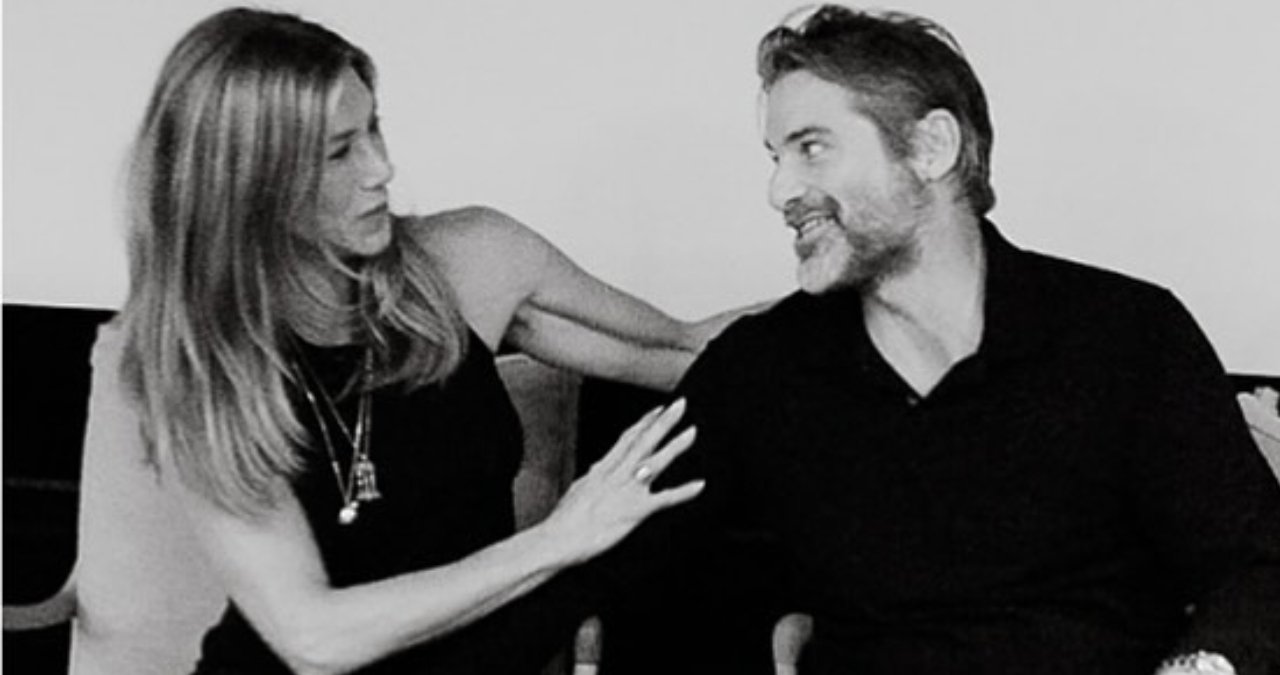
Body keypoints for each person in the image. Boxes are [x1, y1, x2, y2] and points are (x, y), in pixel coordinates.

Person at [600, 5, 1280, 674]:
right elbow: (622, 577)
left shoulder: (1127, 336)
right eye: (776, 157)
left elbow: (1257, 569)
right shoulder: (761, 371)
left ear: (931, 148)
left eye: (812, 148)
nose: (780, 190)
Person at [115, 7, 738, 674]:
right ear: (251, 181)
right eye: (339, 152)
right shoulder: (202, 365)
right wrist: (560, 539)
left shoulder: (471, 262)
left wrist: (853, 292)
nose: (381, 168)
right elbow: (313, 638)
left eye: (373, 128)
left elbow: (690, 350)